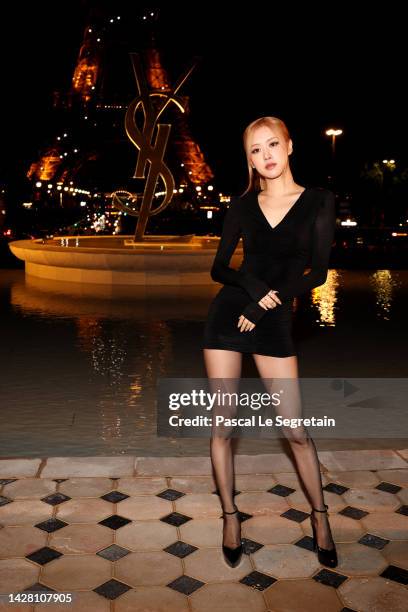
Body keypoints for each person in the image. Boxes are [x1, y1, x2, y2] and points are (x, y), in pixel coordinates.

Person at [202, 116, 338, 569]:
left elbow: (316, 273)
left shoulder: (319, 201)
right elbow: (220, 268)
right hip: (227, 317)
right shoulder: (242, 205)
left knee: (295, 431)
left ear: (290, 146)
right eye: (256, 150)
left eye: (273, 144)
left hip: (272, 321)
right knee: (222, 425)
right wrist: (251, 289)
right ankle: (230, 516)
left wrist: (262, 306)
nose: (266, 156)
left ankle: (320, 517)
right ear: (249, 159)